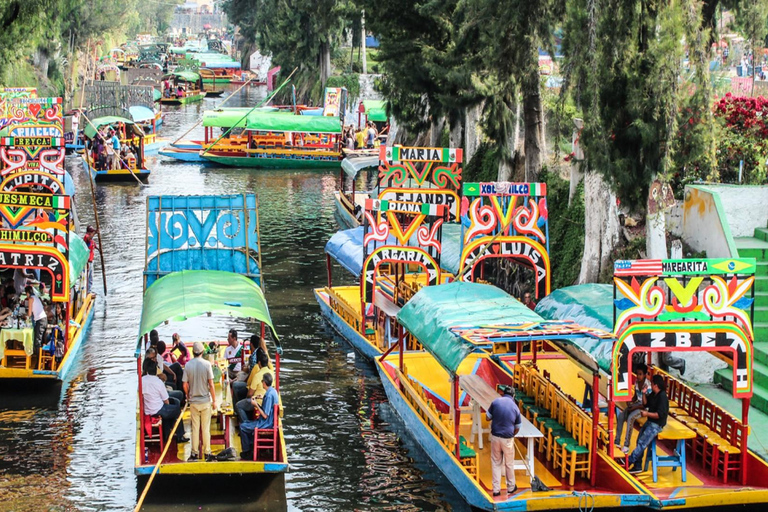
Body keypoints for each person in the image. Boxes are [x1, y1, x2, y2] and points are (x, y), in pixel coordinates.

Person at [182, 341, 217, 462]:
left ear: (193, 352)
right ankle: (207, 452)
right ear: (202, 352)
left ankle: (194, 453)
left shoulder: (187, 365)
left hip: (194, 402)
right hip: (205, 401)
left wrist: (188, 396)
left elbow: (185, 384)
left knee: (195, 428)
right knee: (205, 428)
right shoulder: (207, 364)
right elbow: (211, 385)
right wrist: (214, 401)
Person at [628, 374, 669, 474]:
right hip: (650, 421)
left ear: (655, 385)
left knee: (642, 443)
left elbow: (659, 415)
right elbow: (646, 403)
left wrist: (646, 414)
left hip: (656, 424)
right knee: (639, 440)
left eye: (651, 383)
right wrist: (643, 393)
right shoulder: (654, 394)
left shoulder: (662, 397)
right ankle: (637, 465)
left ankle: (629, 461)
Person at [486, 385, 522, 496]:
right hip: (508, 439)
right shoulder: (515, 408)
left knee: (496, 463)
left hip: (495, 437)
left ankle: (496, 490)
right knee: (509, 464)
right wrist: (512, 435)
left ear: (503, 393)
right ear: (513, 396)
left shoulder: (495, 402)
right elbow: (517, 427)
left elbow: (487, 417)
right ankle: (511, 487)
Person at [142, 358, 187, 443]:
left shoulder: (142, 380)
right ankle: (180, 436)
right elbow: (166, 401)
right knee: (176, 410)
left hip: (148, 409)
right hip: (157, 409)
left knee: (175, 402)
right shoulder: (158, 382)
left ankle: (167, 434)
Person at [239, 372, 278, 460]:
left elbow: (265, 415)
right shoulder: (272, 391)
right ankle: (250, 447)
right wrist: (261, 398)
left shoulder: (268, 395)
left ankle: (247, 452)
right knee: (245, 422)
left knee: (242, 427)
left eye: (262, 381)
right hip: (269, 420)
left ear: (264, 383)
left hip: (266, 423)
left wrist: (256, 405)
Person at [614, 363, 651, 453]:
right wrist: (629, 401)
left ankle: (626, 445)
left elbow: (646, 404)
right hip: (637, 404)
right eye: (637, 374)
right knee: (621, 416)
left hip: (644, 408)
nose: (638, 376)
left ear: (645, 375)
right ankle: (617, 441)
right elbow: (635, 397)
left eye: (640, 374)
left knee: (631, 418)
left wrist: (634, 408)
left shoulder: (648, 386)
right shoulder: (637, 382)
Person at [234, 350, 272, 422]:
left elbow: (249, 394)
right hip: (266, 400)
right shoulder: (271, 372)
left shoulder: (258, 375)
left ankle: (246, 423)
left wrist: (246, 398)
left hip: (258, 402)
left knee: (238, 405)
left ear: (259, 363)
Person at [25, 285, 47, 353]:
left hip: (40, 321)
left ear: (28, 292)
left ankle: (38, 361)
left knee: (37, 342)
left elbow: (29, 314)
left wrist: (24, 316)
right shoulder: (36, 297)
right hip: (43, 319)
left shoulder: (31, 299)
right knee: (40, 340)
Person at [83, 226, 97, 292]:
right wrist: (94, 233)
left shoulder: (92, 241)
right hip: (87, 261)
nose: (92, 233)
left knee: (91, 278)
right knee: (87, 277)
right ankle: (85, 292)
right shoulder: (86, 237)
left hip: (91, 261)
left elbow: (94, 246)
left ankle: (89, 291)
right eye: (91, 232)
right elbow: (88, 238)